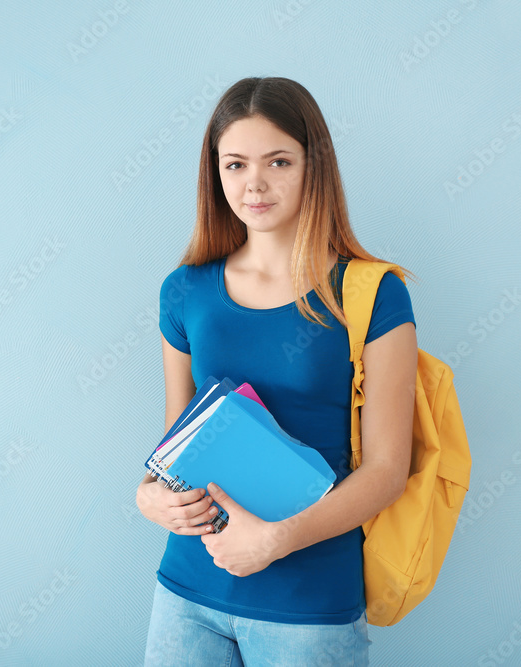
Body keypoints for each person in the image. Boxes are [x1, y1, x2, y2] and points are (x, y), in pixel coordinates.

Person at [137, 76, 418, 666]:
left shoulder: (370, 293)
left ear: (313, 165)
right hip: (186, 592)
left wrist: (275, 540)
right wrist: (148, 497)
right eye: (235, 164)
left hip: (307, 600)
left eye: (279, 161)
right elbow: (175, 441)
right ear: (215, 172)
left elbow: (391, 468)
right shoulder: (185, 292)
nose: (254, 184)